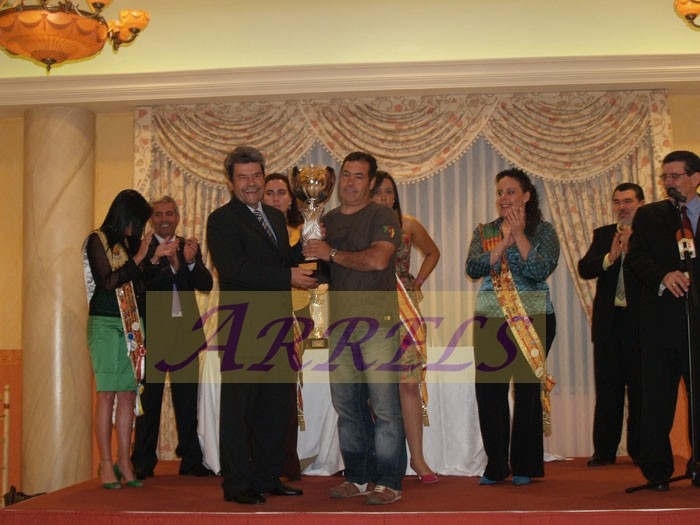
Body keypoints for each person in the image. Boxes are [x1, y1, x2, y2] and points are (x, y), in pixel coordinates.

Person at [206, 146, 317, 504]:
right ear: (230, 182)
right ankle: (238, 483)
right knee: (240, 409)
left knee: (275, 405)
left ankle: (269, 476)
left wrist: (312, 244)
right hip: (242, 325)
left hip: (278, 324)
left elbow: (284, 260)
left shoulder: (273, 215)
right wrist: (287, 275)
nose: (251, 183)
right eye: (243, 177)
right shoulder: (221, 220)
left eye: (256, 175)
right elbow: (234, 270)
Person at [303, 151, 406, 505]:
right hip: (339, 326)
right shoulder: (328, 220)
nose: (350, 182)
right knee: (347, 406)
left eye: (359, 176)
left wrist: (330, 253)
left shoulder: (383, 215)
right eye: (346, 174)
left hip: (379, 325)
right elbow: (321, 273)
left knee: (385, 407)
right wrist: (303, 254)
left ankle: (389, 482)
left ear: (372, 182)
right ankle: (358, 477)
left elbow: (378, 259)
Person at [465, 168, 559, 486]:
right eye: (500, 193)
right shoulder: (486, 231)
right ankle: (496, 465)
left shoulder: (543, 231)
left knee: (528, 391)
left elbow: (541, 270)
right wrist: (502, 244)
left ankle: (525, 465)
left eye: (510, 192)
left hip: (534, 317)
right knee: (490, 392)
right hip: (491, 318)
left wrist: (519, 236)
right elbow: (473, 267)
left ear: (526, 196)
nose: (503, 198)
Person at [627, 150, 700, 491]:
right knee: (657, 397)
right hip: (661, 321)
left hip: (696, 320)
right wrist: (663, 275)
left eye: (675, 176)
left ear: (695, 178)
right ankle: (657, 470)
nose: (668, 182)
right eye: (665, 177)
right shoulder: (650, 215)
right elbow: (637, 258)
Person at [131, 195, 214, 480]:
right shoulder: (143, 248)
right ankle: (143, 461)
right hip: (153, 336)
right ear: (151, 219)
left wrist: (190, 263)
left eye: (169, 213)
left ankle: (191, 460)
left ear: (177, 217)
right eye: (158, 214)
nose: (164, 219)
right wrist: (164, 263)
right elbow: (142, 286)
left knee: (188, 401)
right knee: (149, 402)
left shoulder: (187, 246)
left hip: (184, 335)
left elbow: (206, 284)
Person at [371, 170, 440, 483]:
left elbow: (433, 252)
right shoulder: (362, 226)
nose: (384, 197)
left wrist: (418, 281)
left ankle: (418, 458)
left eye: (389, 191)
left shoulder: (407, 224)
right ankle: (382, 459)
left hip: (405, 312)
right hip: (373, 312)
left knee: (408, 384)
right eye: (377, 192)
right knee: (376, 390)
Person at [83, 189, 152, 489]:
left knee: (128, 394)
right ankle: (105, 462)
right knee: (107, 394)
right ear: (126, 215)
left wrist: (150, 259)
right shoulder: (97, 240)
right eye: (137, 221)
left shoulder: (130, 244)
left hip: (132, 323)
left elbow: (139, 285)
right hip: (105, 323)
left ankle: (125, 460)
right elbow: (108, 282)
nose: (139, 228)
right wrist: (139, 258)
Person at [578, 183, 645, 467]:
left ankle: (641, 451)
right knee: (608, 391)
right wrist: (610, 257)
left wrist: (632, 250)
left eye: (628, 201)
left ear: (641, 203)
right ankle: (604, 451)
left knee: (641, 391)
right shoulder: (604, 234)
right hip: (609, 323)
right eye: (617, 202)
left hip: (641, 324)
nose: (622, 207)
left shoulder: (651, 234)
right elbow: (585, 268)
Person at [262, 173, 304, 481]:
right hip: (261, 318)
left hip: (301, 316)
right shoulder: (253, 232)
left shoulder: (303, 234)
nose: (276, 198)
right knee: (264, 396)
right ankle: (262, 461)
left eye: (281, 192)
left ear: (291, 199)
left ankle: (287, 462)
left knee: (286, 394)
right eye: (270, 193)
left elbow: (316, 274)